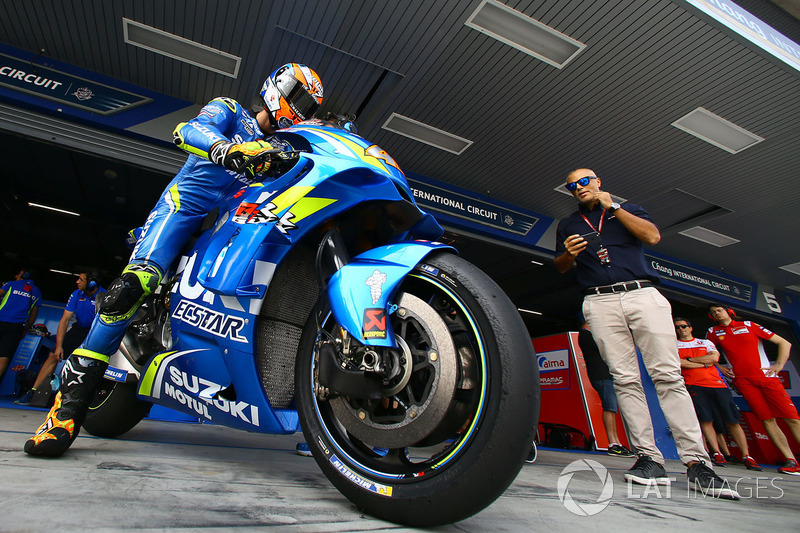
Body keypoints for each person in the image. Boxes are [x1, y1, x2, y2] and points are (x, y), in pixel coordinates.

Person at [24, 63, 324, 457]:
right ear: (277, 87)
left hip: (230, 228)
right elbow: (188, 130)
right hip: (184, 210)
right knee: (131, 288)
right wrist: (227, 149)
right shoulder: (231, 111)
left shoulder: (282, 148)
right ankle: (64, 413)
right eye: (299, 98)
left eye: (309, 106)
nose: (300, 109)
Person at [554, 168, 738, 499]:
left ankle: (697, 462)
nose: (578, 188)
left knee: (668, 375)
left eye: (584, 181)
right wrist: (569, 253)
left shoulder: (627, 209)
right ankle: (649, 458)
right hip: (599, 300)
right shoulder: (568, 223)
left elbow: (652, 237)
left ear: (598, 182)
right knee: (624, 379)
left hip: (641, 294)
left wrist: (614, 208)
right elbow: (561, 266)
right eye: (571, 186)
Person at [706, 304, 800, 475]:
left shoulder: (749, 325)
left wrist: (779, 365)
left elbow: (784, 343)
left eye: (719, 310)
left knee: (792, 418)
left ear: (729, 311)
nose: (716, 313)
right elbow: (707, 352)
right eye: (713, 312)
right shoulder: (713, 332)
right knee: (767, 419)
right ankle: (791, 461)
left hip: (767, 379)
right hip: (744, 382)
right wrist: (719, 366)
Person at [673, 317, 761, 471]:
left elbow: (714, 358)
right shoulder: (674, 345)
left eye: (684, 326)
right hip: (694, 385)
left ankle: (747, 456)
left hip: (717, 385)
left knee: (732, 420)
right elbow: (680, 363)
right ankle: (717, 453)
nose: (681, 329)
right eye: (678, 327)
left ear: (690, 328)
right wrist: (703, 363)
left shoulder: (705, 342)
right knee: (706, 420)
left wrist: (691, 359)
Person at [15, 271, 105, 406]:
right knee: (53, 355)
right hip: (79, 329)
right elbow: (65, 320)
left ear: (92, 283)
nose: (77, 282)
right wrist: (59, 346)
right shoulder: (77, 294)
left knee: (96, 365)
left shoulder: (104, 296)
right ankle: (33, 392)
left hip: (96, 332)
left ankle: (94, 401)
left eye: (81, 280)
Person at [578, 320, 633, 457]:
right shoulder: (586, 336)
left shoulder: (589, 336)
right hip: (601, 376)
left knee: (611, 408)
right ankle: (613, 443)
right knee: (609, 407)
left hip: (604, 375)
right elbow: (605, 349)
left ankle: (616, 442)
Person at [0, 269, 42, 382]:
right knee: (4, 356)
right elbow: (33, 314)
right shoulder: (36, 291)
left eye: (18, 273)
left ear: (23, 275)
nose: (16, 276)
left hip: (1, 319)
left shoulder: (11, 284)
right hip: (17, 326)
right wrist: (25, 329)